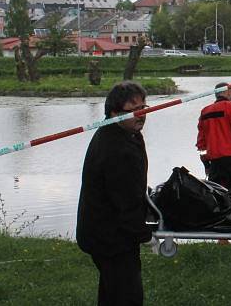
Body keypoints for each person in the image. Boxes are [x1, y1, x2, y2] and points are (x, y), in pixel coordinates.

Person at [77, 81, 153, 306]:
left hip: (106, 234)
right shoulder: (117, 149)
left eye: (144, 108)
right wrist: (146, 236)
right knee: (127, 296)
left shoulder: (121, 133)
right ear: (114, 113)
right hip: (110, 238)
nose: (142, 115)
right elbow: (125, 203)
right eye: (134, 110)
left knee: (112, 291)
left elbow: (131, 188)